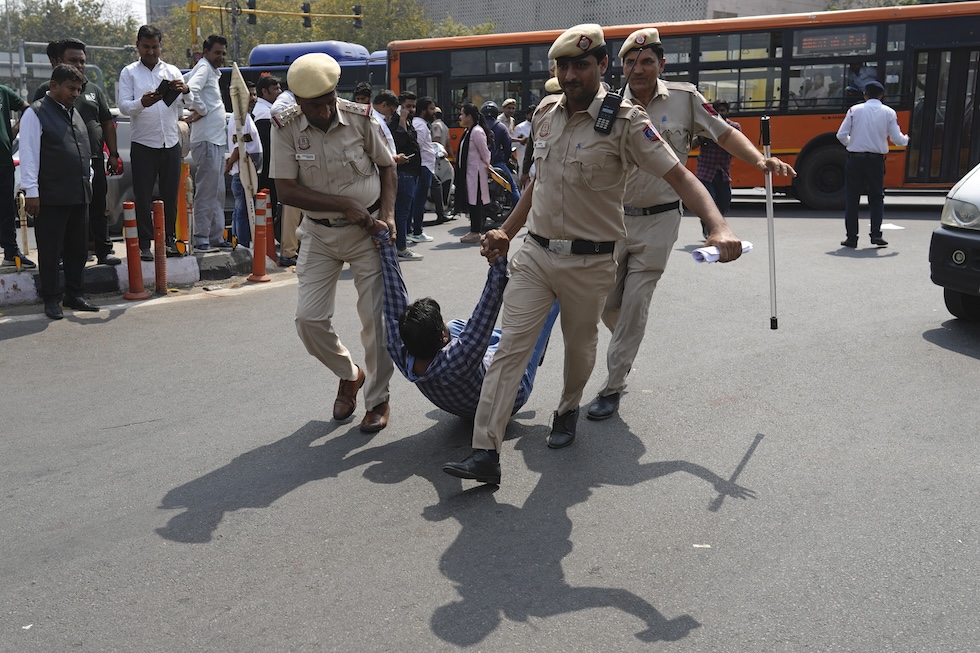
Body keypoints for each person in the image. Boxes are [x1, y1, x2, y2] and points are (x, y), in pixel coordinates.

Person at [442, 24, 744, 485]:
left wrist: (717, 225)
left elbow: (680, 176)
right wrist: (506, 231)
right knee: (510, 351)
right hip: (536, 255)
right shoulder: (545, 113)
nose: (569, 76)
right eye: (562, 67)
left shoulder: (627, 121)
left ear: (602, 65)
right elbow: (536, 183)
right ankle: (486, 452)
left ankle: (567, 408)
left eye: (580, 65)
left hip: (591, 261)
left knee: (579, 351)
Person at [586, 27, 796, 423]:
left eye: (647, 62)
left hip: (661, 218)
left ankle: (612, 385)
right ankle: (627, 344)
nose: (638, 69)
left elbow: (725, 134)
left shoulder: (685, 99)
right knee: (607, 303)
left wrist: (759, 161)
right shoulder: (608, 105)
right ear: (622, 67)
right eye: (630, 62)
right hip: (612, 219)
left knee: (635, 303)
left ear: (661, 65)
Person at [270, 52, 397, 432]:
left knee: (375, 321)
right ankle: (350, 374)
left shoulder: (360, 118)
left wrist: (388, 216)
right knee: (308, 320)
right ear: (298, 101)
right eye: (315, 106)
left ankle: (378, 400)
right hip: (319, 233)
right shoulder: (285, 127)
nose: (325, 111)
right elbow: (285, 190)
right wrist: (343, 204)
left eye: (329, 101)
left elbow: (388, 166)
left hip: (367, 231)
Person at [371, 219, 559, 419]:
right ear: (443, 337)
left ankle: (507, 340)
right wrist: (498, 260)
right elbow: (487, 309)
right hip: (510, 396)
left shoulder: (400, 349)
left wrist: (385, 244)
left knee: (455, 326)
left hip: (466, 398)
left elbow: (393, 302)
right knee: (549, 299)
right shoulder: (459, 358)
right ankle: (531, 344)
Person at [32, 38, 121, 267]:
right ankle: (65, 255)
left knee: (98, 208)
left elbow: (107, 122)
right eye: (73, 61)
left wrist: (113, 153)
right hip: (61, 167)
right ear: (59, 62)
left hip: (93, 160)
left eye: (82, 61)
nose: (79, 65)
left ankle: (103, 250)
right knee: (66, 214)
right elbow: (35, 125)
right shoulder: (46, 90)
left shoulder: (94, 90)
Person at [20, 65, 97, 319]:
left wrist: (89, 178)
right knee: (51, 250)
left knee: (78, 249)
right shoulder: (36, 113)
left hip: (79, 192)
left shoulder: (75, 113)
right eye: (70, 88)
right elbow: (29, 153)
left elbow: (82, 150)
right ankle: (51, 298)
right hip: (51, 195)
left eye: (78, 89)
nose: (75, 94)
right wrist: (32, 191)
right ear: (54, 86)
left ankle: (74, 294)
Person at [117, 24, 194, 261]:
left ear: (161, 46)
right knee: (143, 196)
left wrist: (186, 89)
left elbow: (190, 103)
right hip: (143, 144)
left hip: (170, 142)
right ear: (138, 46)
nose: (151, 52)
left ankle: (169, 239)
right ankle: (144, 244)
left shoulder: (172, 71)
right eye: (146, 47)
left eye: (155, 47)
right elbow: (124, 106)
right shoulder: (129, 72)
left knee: (170, 195)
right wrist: (142, 102)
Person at [836, 80, 908, 249]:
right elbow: (897, 139)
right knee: (876, 198)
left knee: (852, 199)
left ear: (865, 95)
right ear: (882, 95)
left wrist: (853, 144)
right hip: (876, 161)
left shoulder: (854, 110)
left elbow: (841, 135)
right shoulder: (889, 112)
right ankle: (876, 234)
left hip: (855, 159)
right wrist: (906, 139)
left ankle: (851, 238)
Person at [185, 34, 229, 251]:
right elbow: (190, 89)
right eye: (217, 52)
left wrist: (202, 110)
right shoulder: (203, 67)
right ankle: (201, 237)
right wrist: (201, 110)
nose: (221, 56)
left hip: (216, 140)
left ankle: (215, 236)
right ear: (206, 52)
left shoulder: (209, 70)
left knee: (218, 192)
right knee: (207, 190)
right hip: (207, 140)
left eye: (223, 53)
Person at [694, 99, 740, 238]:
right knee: (709, 201)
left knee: (724, 201)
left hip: (722, 172)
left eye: (723, 110)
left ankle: (708, 222)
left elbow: (737, 147)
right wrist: (702, 138)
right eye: (718, 111)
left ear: (727, 112)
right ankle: (710, 227)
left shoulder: (733, 127)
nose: (720, 113)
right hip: (705, 171)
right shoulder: (705, 126)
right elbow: (691, 144)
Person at [225, 81, 262, 247]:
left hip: (248, 172)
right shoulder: (240, 118)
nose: (253, 98)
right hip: (243, 174)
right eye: (249, 95)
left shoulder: (246, 117)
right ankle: (242, 246)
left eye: (254, 94)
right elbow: (238, 147)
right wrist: (228, 166)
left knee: (240, 211)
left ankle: (238, 244)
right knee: (243, 212)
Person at [388, 90, 423, 261]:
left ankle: (400, 244)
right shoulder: (395, 122)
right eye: (408, 106)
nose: (411, 110)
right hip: (403, 173)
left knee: (403, 211)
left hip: (411, 172)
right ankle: (400, 248)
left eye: (413, 106)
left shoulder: (409, 122)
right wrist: (402, 119)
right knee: (401, 212)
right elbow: (399, 143)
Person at [0, 81, 32, 268]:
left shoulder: (3, 92)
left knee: (6, 210)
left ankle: (11, 253)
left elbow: (27, 109)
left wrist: (13, 131)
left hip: (4, 161)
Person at [455, 103, 492, 244]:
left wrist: (487, 164)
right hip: (469, 174)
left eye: (462, 114)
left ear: (469, 117)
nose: (460, 117)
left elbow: (484, 152)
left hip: (475, 174)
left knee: (475, 202)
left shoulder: (476, 132)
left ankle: (476, 231)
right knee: (472, 202)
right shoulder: (468, 131)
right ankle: (474, 230)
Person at [408, 95, 437, 243]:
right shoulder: (419, 125)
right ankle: (417, 231)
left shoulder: (421, 124)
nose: (434, 112)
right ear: (424, 110)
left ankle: (411, 230)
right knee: (419, 201)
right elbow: (416, 146)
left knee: (416, 200)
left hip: (425, 165)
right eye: (431, 109)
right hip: (423, 166)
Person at [480, 101, 519, 207]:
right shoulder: (501, 127)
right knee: (513, 187)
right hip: (497, 163)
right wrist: (505, 160)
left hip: (479, 165)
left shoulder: (477, 127)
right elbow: (508, 147)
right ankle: (519, 211)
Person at [253, 75, 281, 221]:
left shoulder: (268, 109)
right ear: (264, 91)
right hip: (267, 169)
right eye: (275, 89)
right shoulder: (263, 113)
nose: (279, 92)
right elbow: (268, 146)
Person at [513, 104, 534, 179]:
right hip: (523, 158)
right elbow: (513, 145)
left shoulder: (539, 126)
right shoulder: (520, 127)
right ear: (527, 115)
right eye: (532, 114)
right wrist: (521, 141)